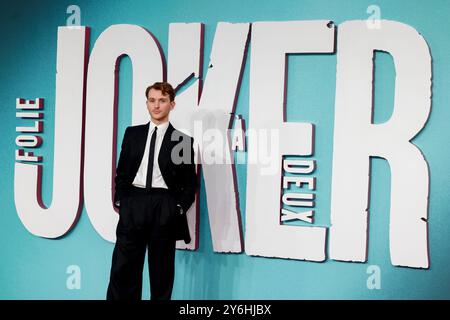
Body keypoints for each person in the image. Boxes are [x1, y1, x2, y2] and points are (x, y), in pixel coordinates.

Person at [106, 82, 197, 300]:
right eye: (152, 100)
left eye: (162, 100)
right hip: (134, 203)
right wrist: (123, 201)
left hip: (163, 206)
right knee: (123, 269)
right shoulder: (133, 134)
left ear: (172, 104)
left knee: (161, 272)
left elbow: (189, 183)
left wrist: (177, 208)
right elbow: (122, 172)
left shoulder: (181, 141)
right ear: (147, 103)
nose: (157, 105)